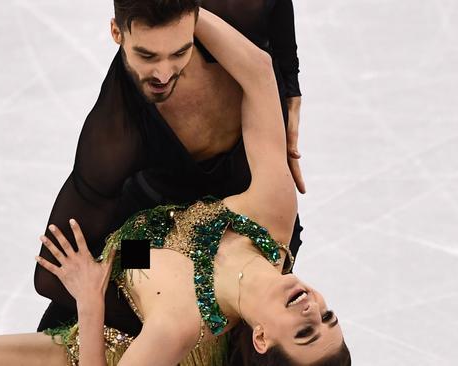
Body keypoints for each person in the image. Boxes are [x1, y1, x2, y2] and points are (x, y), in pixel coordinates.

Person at [0, 8, 349, 366]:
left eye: (305, 331)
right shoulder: (272, 215)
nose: (312, 312)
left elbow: (139, 261)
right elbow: (258, 73)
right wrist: (186, 15)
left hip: (96, 351)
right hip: (137, 263)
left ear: (263, 338)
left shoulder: (179, 320)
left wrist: (91, 300)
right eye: (328, 318)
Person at [34, 0, 307, 339]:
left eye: (180, 53)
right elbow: (52, 275)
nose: (163, 74)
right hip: (155, 244)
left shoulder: (237, 11)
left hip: (256, 228)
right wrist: (176, 318)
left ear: (195, 21)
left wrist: (292, 87)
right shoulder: (115, 134)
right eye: (147, 56)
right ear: (117, 33)